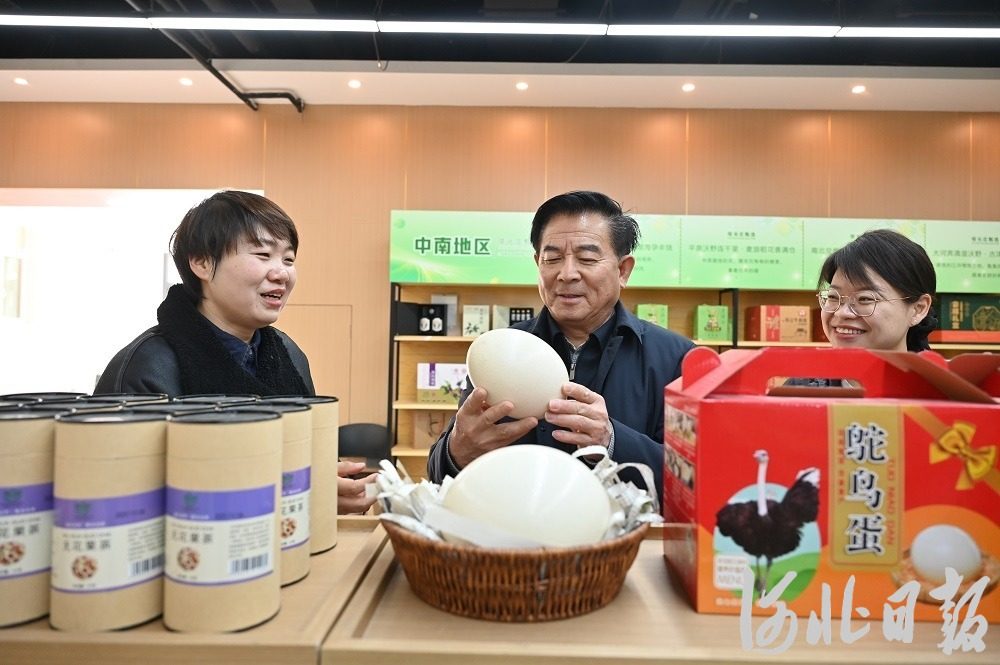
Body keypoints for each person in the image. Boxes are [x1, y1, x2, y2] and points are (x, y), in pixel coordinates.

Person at [95, 190, 376, 514]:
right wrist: (296, 489)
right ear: (202, 262)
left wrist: (329, 481)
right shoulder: (147, 366)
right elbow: (127, 495)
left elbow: (306, 454)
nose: (282, 273)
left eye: (288, 259)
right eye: (262, 254)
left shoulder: (289, 354)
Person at [427, 191, 696, 499]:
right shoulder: (500, 352)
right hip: (514, 527)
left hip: (623, 530)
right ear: (537, 264)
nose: (567, 274)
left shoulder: (675, 359)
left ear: (623, 270)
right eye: (552, 258)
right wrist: (457, 451)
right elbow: (438, 476)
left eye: (587, 258)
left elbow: (693, 480)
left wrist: (612, 440)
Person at [817, 229, 936, 352]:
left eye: (865, 299)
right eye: (833, 297)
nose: (841, 313)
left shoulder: (933, 366)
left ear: (918, 309)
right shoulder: (807, 365)